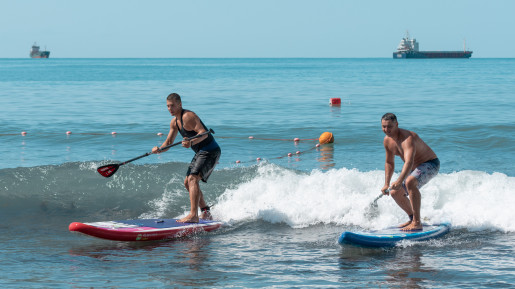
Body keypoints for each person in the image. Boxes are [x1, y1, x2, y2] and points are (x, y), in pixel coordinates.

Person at [152, 93, 221, 223]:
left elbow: (203, 133)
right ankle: (206, 212)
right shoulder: (175, 122)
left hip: (211, 150)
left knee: (193, 178)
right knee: (187, 182)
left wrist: (191, 142)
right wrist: (159, 150)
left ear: (180, 104)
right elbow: (168, 143)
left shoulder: (188, 116)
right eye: (167, 106)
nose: (169, 109)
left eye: (172, 105)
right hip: (201, 151)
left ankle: (194, 215)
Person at [380, 113, 440, 231]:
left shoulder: (408, 138)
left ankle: (417, 223)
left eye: (389, 127)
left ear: (396, 124)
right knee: (394, 192)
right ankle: (412, 218)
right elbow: (389, 163)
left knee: (410, 181)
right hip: (415, 168)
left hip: (431, 164)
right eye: (383, 127)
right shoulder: (387, 141)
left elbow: (409, 162)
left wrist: (399, 180)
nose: (386, 130)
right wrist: (386, 183)